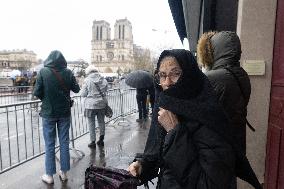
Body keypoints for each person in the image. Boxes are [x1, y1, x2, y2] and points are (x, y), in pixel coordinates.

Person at [127, 49, 261, 189]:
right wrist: (142, 165)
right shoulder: (167, 108)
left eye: (176, 73)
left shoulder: (209, 117)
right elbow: (158, 155)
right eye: (162, 75)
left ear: (190, 76)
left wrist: (174, 132)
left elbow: (210, 184)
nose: (167, 82)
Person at [197, 31, 251, 154]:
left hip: (215, 144)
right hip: (237, 136)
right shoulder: (242, 74)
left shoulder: (213, 78)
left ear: (214, 51)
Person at [33, 50, 80, 184]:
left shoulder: (43, 72)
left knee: (49, 144)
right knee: (64, 142)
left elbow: (37, 92)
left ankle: (49, 175)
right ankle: (64, 173)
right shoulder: (68, 72)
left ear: (48, 60)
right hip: (64, 112)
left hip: (48, 113)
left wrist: (46, 99)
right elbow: (76, 89)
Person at [80, 65, 108, 148]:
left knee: (91, 123)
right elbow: (106, 90)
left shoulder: (87, 80)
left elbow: (83, 94)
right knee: (101, 121)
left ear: (88, 72)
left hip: (90, 105)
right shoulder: (103, 80)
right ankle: (101, 139)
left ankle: (92, 142)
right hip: (102, 104)